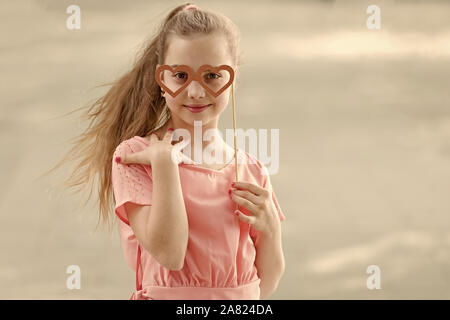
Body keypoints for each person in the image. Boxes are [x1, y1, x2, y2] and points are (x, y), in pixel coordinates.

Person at [78, 2, 286, 300]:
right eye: (181, 76)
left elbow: (264, 285)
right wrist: (164, 164)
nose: (197, 92)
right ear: (162, 79)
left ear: (232, 79)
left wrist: (270, 230)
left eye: (212, 76)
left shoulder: (251, 170)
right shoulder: (137, 156)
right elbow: (169, 253)